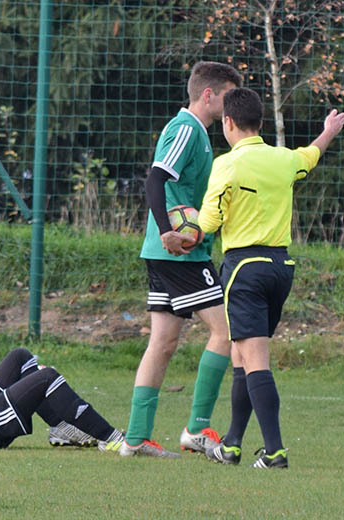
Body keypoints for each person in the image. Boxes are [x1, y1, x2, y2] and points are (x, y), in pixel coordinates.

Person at [197, 87, 344, 468]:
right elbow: (310, 158)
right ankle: (231, 444)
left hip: (244, 268)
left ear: (228, 123)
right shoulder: (283, 159)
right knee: (241, 354)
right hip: (280, 268)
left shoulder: (227, 165)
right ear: (261, 123)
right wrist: (328, 130)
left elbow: (209, 222)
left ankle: (275, 451)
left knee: (255, 359)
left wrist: (185, 228)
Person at [119, 61, 243, 458]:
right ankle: (197, 429)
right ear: (208, 94)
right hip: (178, 254)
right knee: (225, 331)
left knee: (163, 341)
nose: (230, 105)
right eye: (227, 95)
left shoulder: (200, 135)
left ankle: (136, 439)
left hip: (172, 251)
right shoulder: (187, 128)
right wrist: (165, 230)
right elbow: (156, 177)